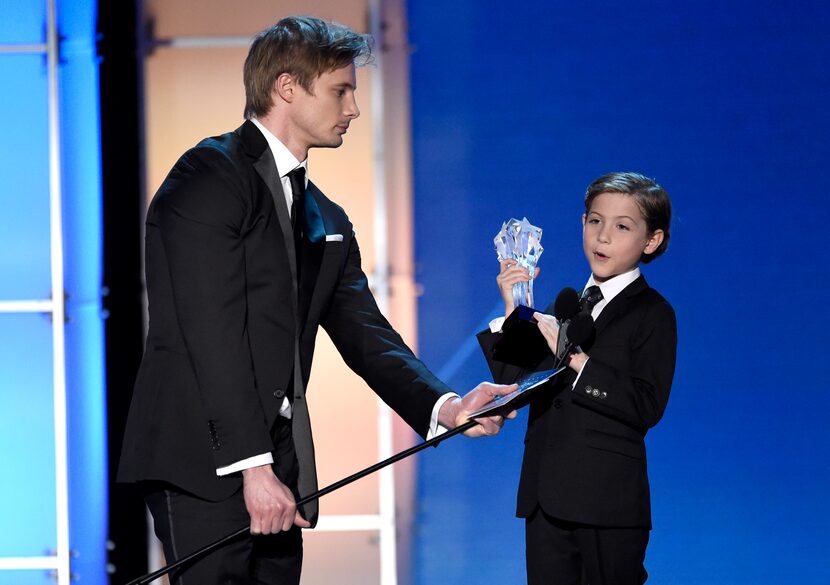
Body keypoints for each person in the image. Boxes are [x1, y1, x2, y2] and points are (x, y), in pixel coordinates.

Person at [118, 15, 514, 585]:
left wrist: (445, 407)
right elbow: (212, 332)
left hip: (278, 459)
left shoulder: (325, 217)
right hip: (202, 458)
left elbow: (366, 334)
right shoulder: (208, 175)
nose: (353, 108)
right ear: (286, 87)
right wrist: (253, 470)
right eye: (340, 90)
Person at [478, 172, 677, 584]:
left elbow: (646, 404)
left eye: (622, 227)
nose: (602, 237)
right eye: (594, 221)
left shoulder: (653, 313)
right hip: (544, 500)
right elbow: (514, 383)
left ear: (652, 240)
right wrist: (514, 307)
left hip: (608, 504)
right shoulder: (565, 306)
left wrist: (575, 358)